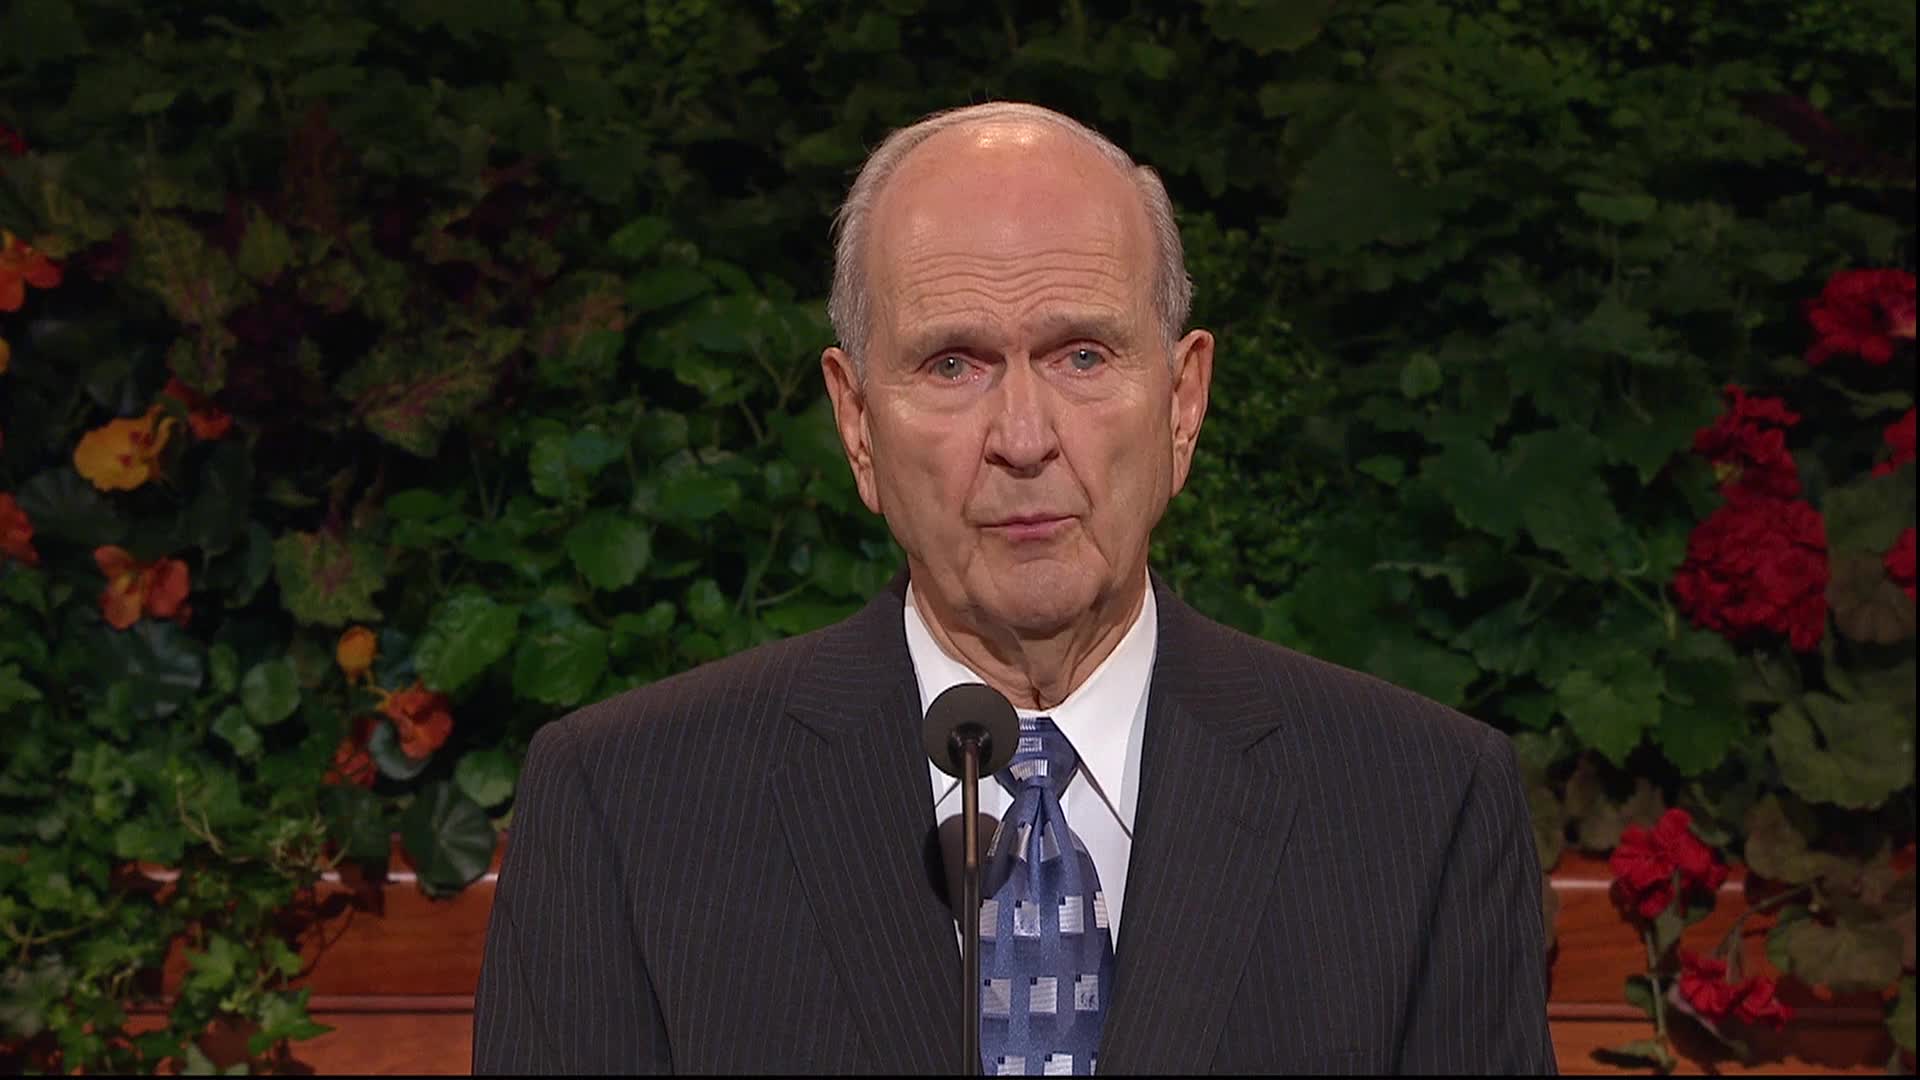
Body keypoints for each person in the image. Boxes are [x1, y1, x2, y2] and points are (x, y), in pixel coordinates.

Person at [473, 101, 1556, 1075]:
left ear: (1183, 404)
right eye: (954, 364)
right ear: (857, 423)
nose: (1025, 438)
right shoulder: (628, 808)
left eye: (1083, 356)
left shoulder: (1422, 806)